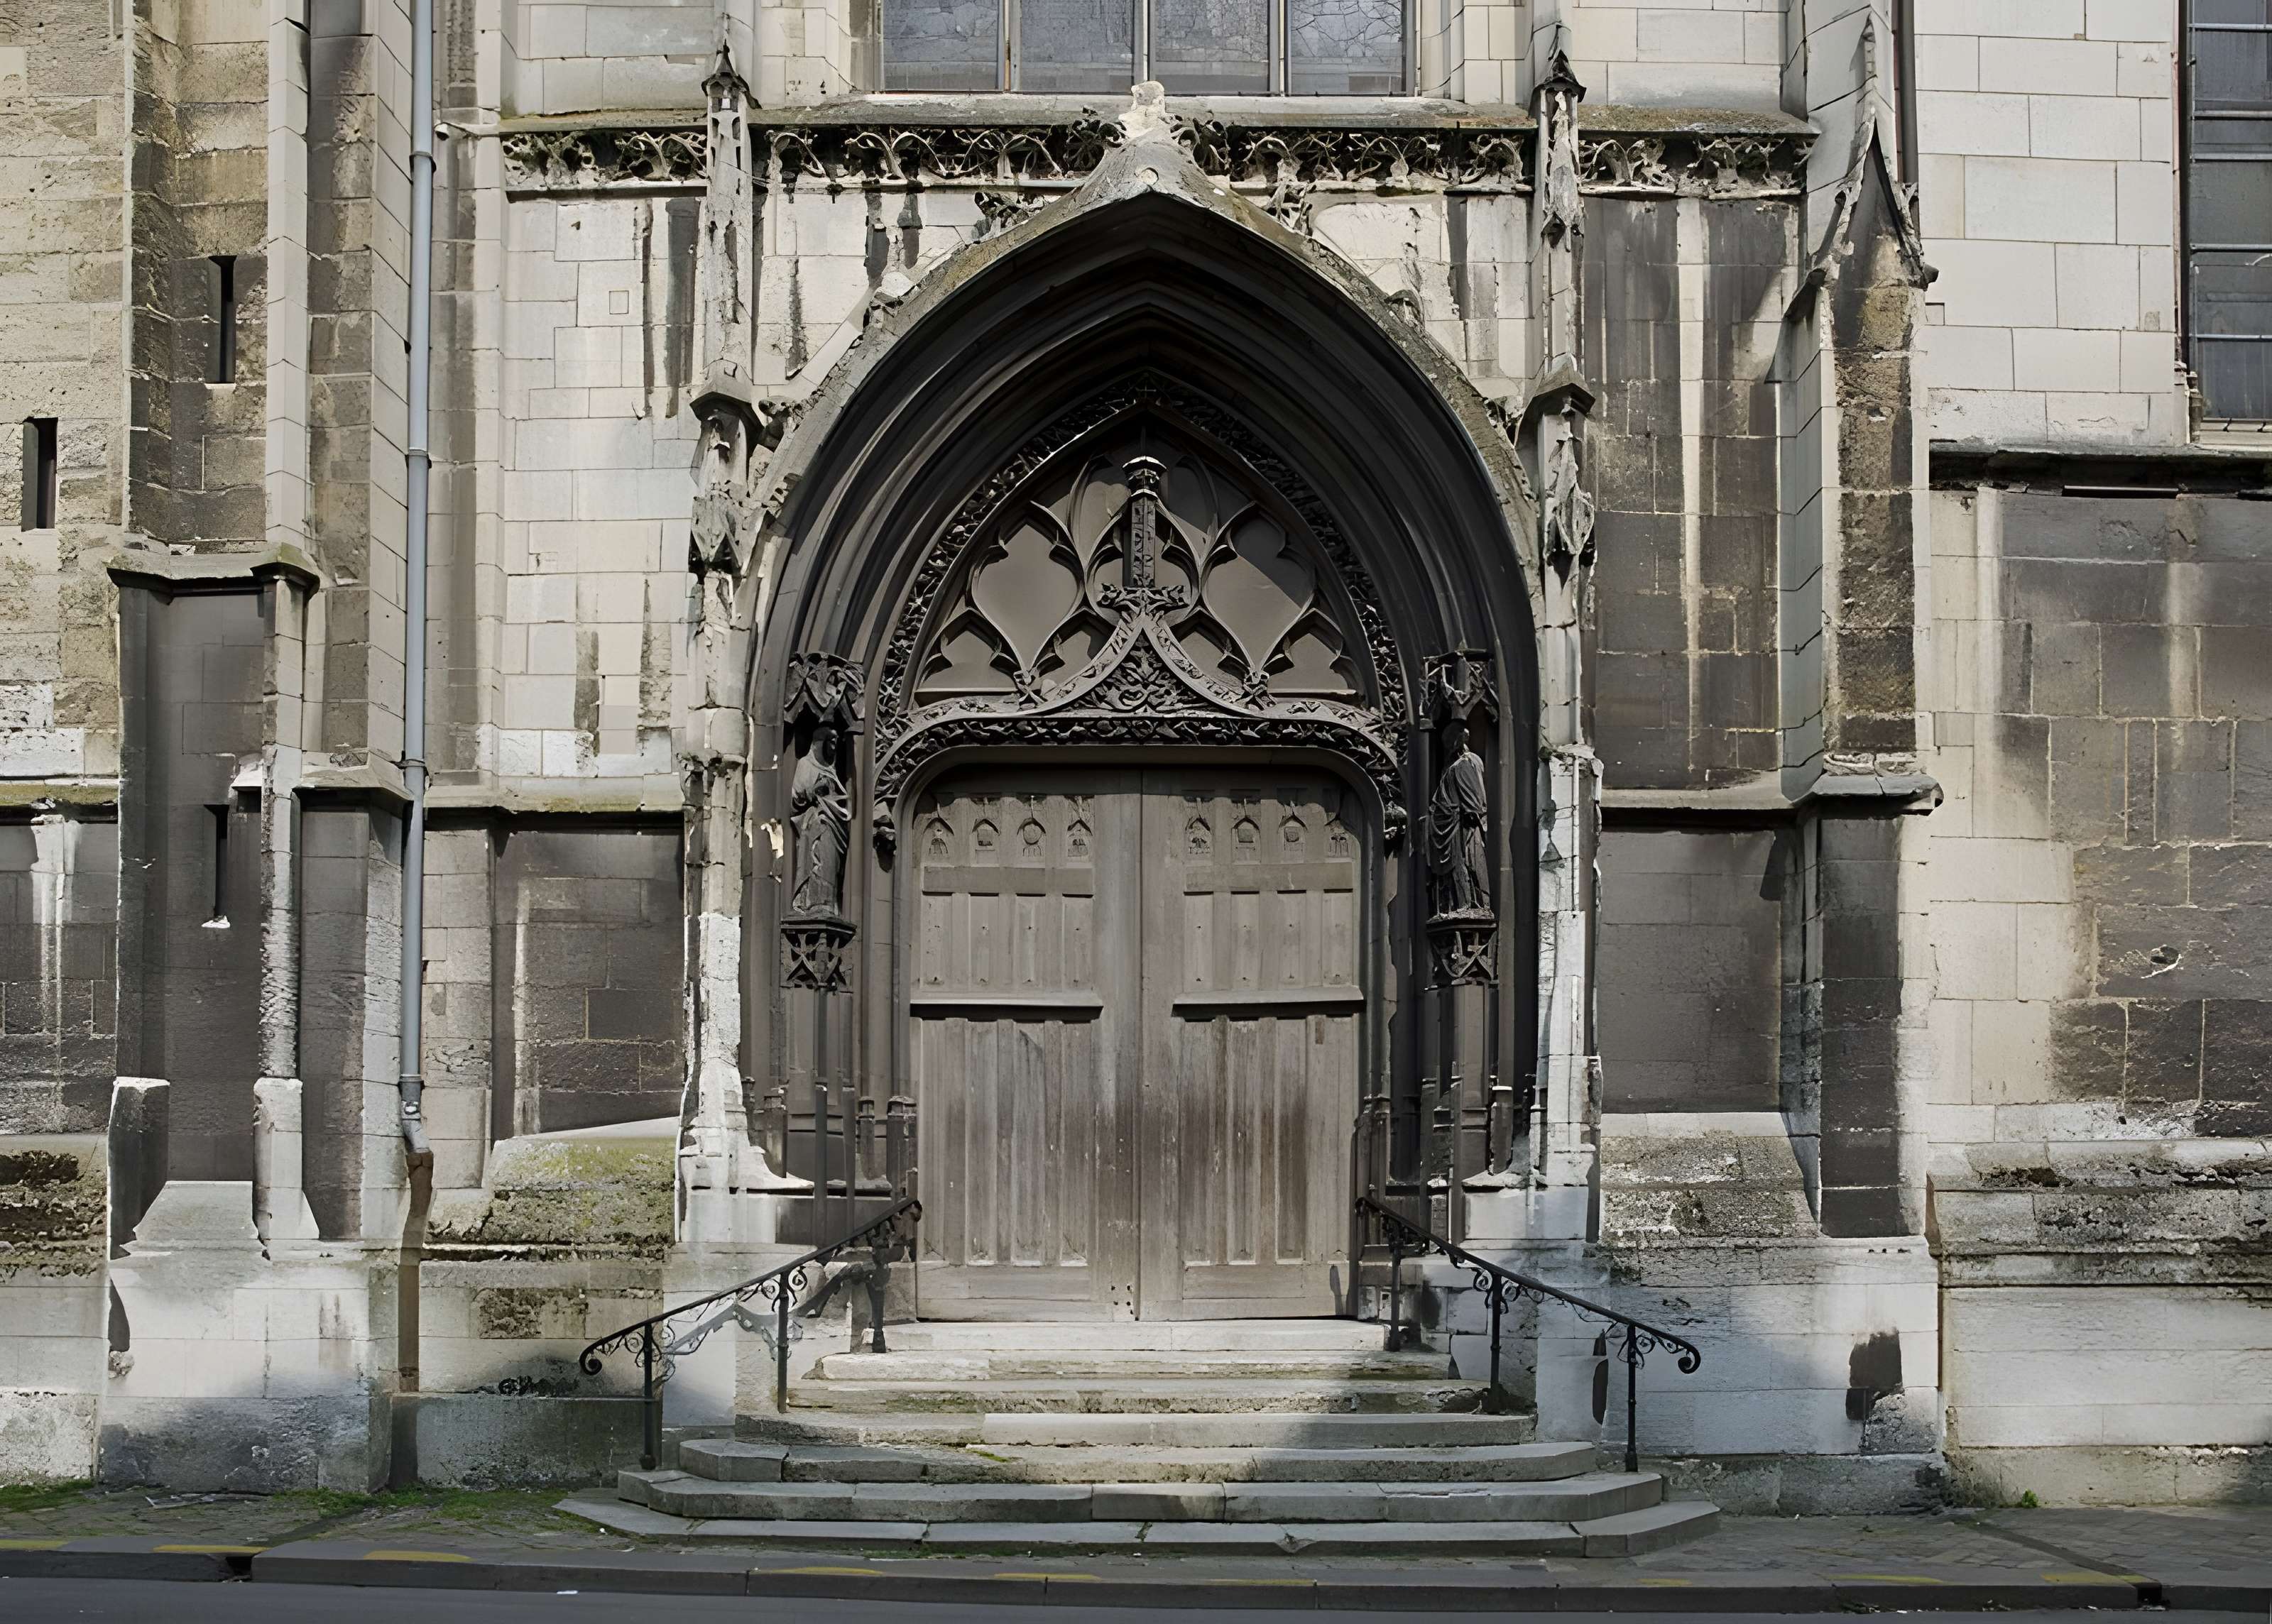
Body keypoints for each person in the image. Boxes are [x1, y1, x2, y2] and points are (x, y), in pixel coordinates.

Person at [1427, 720, 1490, 919]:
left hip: (1463, 826)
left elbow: (1475, 802)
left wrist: (1466, 814)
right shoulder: (1453, 767)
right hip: (1453, 826)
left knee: (1466, 864)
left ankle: (1471, 904)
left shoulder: (1466, 763)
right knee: (1457, 869)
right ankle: (1461, 904)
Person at [790, 724, 852, 918]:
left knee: (831, 863)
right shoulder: (805, 764)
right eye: (831, 742)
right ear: (820, 744)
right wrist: (815, 788)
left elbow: (841, 798)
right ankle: (814, 904)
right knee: (819, 859)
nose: (834, 747)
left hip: (835, 825)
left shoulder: (832, 771)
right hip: (817, 821)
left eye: (836, 743)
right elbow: (796, 797)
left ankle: (829, 904)